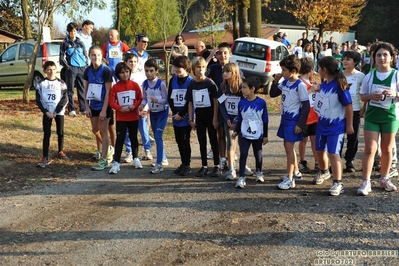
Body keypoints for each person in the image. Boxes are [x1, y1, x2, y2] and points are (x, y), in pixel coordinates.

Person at [358, 42, 399, 195]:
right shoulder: (369, 76)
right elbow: (362, 97)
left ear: (392, 57)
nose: (382, 58)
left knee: (387, 149)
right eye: (378, 55)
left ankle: (384, 178)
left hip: (390, 117)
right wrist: (370, 96)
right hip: (372, 117)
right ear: (374, 58)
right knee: (370, 149)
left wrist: (395, 94)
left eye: (385, 55)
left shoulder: (396, 75)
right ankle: (365, 181)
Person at [313, 56, 353, 196]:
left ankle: (338, 182)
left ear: (324, 70)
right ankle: (324, 172)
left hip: (336, 127)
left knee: (333, 153)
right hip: (321, 125)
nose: (317, 70)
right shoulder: (323, 84)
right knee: (318, 151)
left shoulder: (340, 85)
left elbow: (348, 105)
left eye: (318, 68)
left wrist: (349, 125)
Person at [270, 55, 310, 190]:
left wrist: (300, 124)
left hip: (293, 120)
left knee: (289, 147)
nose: (282, 72)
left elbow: (306, 106)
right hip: (285, 118)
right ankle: (295, 171)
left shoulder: (300, 86)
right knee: (288, 147)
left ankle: (290, 178)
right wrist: (276, 81)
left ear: (293, 71)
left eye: (284, 70)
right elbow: (273, 94)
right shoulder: (285, 82)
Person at [179, 57, 221, 177]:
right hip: (200, 117)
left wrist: (215, 118)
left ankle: (217, 165)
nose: (200, 69)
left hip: (210, 116)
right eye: (198, 67)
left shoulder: (210, 83)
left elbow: (215, 101)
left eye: (203, 67)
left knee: (213, 140)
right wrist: (191, 119)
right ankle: (204, 165)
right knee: (202, 141)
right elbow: (190, 103)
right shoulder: (192, 84)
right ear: (193, 69)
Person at [232, 77, 269, 189]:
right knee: (243, 154)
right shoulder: (241, 103)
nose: (241, 90)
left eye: (244, 88)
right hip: (244, 134)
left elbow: (265, 120)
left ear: (252, 89)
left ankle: (259, 172)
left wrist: (265, 136)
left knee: (258, 154)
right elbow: (239, 119)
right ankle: (242, 177)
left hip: (258, 134)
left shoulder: (261, 103)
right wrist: (236, 131)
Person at [108, 62, 143, 174]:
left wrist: (135, 106)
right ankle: (116, 162)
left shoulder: (135, 85)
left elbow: (140, 98)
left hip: (133, 116)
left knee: (133, 137)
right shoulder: (116, 87)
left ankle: (136, 158)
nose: (125, 74)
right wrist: (119, 108)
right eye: (122, 73)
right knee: (120, 139)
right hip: (121, 118)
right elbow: (111, 102)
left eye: (127, 72)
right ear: (118, 74)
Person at [83, 46, 114, 171]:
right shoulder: (87, 71)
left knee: (103, 131)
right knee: (95, 130)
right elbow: (85, 89)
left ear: (102, 56)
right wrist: (87, 107)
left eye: (98, 55)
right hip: (93, 105)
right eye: (93, 55)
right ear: (89, 56)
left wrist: (104, 110)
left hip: (104, 105)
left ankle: (104, 159)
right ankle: (109, 149)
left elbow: (108, 91)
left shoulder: (106, 70)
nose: (96, 58)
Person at [35, 61, 69, 167]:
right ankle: (45, 156)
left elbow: (65, 98)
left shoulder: (61, 83)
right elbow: (38, 100)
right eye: (49, 69)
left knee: (60, 132)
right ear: (45, 71)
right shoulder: (41, 84)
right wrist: (46, 112)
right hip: (47, 113)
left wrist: (56, 111)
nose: (51, 72)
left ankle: (60, 151)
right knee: (47, 134)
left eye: (53, 69)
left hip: (58, 112)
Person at [139, 59, 169, 174]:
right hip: (153, 113)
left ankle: (159, 163)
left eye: (151, 71)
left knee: (157, 136)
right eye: (146, 71)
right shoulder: (145, 83)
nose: (149, 73)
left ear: (157, 71)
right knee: (156, 137)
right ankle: (163, 158)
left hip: (162, 113)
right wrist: (142, 105)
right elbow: (145, 97)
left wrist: (158, 100)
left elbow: (166, 99)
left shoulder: (160, 83)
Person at [122, 53, 153, 162]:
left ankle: (147, 150)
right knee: (127, 132)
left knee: (144, 130)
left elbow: (147, 93)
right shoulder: (123, 76)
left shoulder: (142, 76)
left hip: (140, 107)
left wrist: (146, 107)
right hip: (128, 109)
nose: (133, 64)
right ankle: (129, 152)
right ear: (126, 62)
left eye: (135, 62)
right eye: (130, 62)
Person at [168, 56, 194, 176]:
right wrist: (175, 112)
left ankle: (187, 164)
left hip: (185, 116)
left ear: (186, 68)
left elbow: (190, 100)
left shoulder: (190, 82)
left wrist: (182, 114)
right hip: (176, 116)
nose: (177, 69)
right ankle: (183, 163)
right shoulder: (173, 80)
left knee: (185, 141)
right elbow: (170, 98)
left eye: (180, 67)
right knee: (178, 141)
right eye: (175, 67)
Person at [217, 63, 243, 180]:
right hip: (227, 120)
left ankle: (243, 165)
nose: (224, 73)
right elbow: (221, 105)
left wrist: (237, 120)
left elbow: (243, 105)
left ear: (234, 73)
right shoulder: (222, 86)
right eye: (224, 71)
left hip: (240, 120)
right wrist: (227, 119)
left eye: (227, 72)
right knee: (230, 143)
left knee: (242, 143)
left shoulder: (241, 88)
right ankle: (231, 167)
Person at [341, 51, 365, 172]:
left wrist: (363, 108)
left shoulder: (361, 76)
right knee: (339, 136)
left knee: (353, 137)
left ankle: (349, 160)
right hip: (339, 110)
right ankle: (336, 160)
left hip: (355, 110)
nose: (344, 61)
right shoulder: (338, 75)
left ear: (355, 62)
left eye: (348, 59)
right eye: (344, 59)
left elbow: (365, 92)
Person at [59, 22, 88, 117]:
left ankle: (83, 108)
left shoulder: (80, 42)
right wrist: (68, 67)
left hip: (81, 68)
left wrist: (86, 65)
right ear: (68, 32)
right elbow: (62, 57)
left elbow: (85, 55)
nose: (73, 32)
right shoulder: (65, 43)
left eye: (74, 30)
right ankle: (71, 109)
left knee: (82, 89)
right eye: (71, 31)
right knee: (70, 90)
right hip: (71, 69)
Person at [298, 58, 319, 173]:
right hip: (305, 116)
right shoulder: (300, 82)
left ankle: (317, 160)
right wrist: (311, 89)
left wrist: (316, 87)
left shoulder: (312, 80)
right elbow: (300, 97)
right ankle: (302, 161)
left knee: (314, 138)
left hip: (314, 115)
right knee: (304, 139)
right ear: (310, 70)